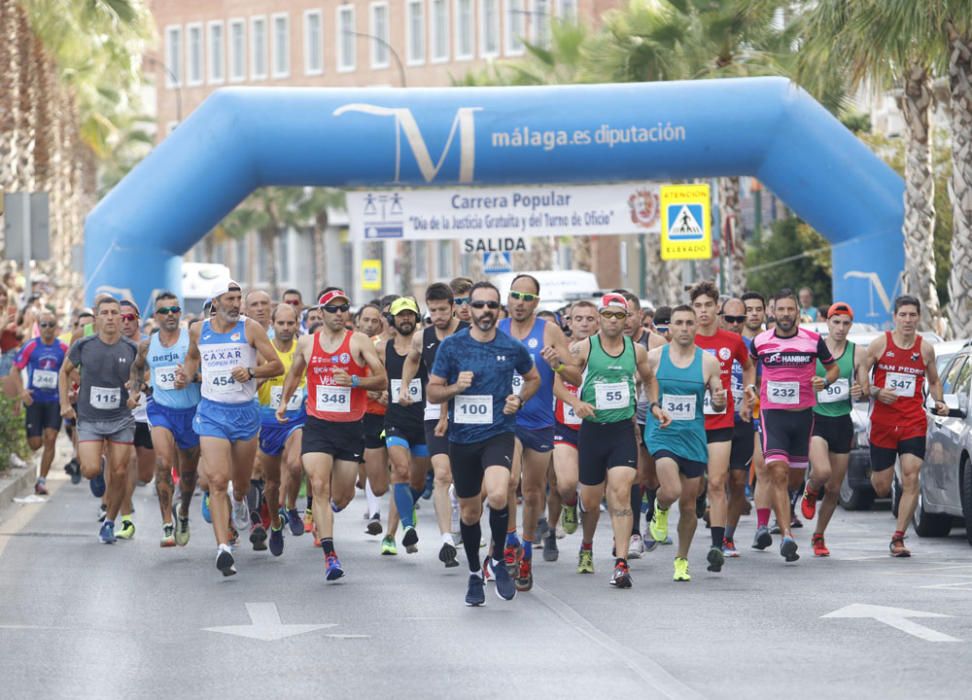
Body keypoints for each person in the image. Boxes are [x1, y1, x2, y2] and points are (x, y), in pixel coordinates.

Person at [429, 281, 539, 606]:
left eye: (492, 305)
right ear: (470, 309)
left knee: (499, 493)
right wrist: (453, 389)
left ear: (499, 309)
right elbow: (433, 391)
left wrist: (518, 400)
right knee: (470, 512)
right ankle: (475, 573)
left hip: (498, 433)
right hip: (462, 439)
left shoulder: (512, 346)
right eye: (479, 305)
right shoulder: (451, 347)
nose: (485, 311)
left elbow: (534, 378)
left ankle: (500, 560)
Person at [277, 289, 387, 581]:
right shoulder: (307, 343)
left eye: (344, 308)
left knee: (343, 494)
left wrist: (355, 381)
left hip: (351, 427)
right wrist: (284, 402)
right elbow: (294, 374)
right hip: (318, 425)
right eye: (333, 309)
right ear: (321, 313)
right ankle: (330, 555)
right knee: (318, 485)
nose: (340, 313)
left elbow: (382, 378)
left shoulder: (359, 341)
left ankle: (332, 508)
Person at [176, 280, 283, 576]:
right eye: (231, 298)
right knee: (217, 480)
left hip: (245, 414)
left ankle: (240, 503)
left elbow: (277, 366)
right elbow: (192, 359)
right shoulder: (198, 330)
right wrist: (184, 376)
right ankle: (223, 548)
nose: (237, 304)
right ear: (216, 301)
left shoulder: (250, 329)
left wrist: (251, 371)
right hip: (211, 413)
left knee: (242, 482)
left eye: (239, 298)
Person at [570, 293, 658, 588]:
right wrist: (575, 401)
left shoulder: (637, 351)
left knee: (621, 492)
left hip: (622, 430)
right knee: (591, 501)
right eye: (607, 314)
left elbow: (649, 379)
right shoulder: (584, 347)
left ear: (628, 319)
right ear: (599, 317)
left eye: (619, 315)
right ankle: (586, 544)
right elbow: (559, 379)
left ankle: (621, 563)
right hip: (593, 431)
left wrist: (655, 405)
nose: (612, 320)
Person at [499, 274, 578, 591]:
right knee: (508, 480)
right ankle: (508, 540)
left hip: (541, 422)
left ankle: (527, 551)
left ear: (536, 303)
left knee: (533, 492)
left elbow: (575, 374)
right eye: (515, 295)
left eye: (527, 298)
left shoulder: (550, 331)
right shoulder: (497, 329)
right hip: (507, 422)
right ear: (508, 298)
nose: (520, 302)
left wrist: (558, 363)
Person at [749, 289, 838, 562]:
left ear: (798, 312)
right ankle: (787, 535)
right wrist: (752, 386)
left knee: (794, 479)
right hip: (773, 415)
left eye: (791, 310)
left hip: (802, 417)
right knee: (777, 472)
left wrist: (826, 381)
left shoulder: (812, 340)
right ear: (772, 312)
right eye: (781, 310)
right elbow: (750, 363)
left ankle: (791, 506)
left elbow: (831, 368)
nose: (786, 315)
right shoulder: (761, 341)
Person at [645, 305, 727, 581]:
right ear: (669, 327)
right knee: (671, 489)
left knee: (690, 505)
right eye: (678, 323)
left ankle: (681, 558)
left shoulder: (708, 362)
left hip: (692, 436)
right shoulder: (655, 358)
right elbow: (637, 383)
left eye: (689, 323)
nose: (683, 328)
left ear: (696, 327)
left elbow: (718, 393)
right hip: (662, 431)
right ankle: (660, 507)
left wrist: (719, 399)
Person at [864, 295, 947, 557]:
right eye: (903, 315)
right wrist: (876, 392)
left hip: (912, 421)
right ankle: (882, 475)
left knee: (912, 474)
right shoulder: (879, 345)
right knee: (881, 485)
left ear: (919, 317)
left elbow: (933, 381)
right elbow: (861, 375)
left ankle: (898, 537)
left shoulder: (925, 349)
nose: (908, 320)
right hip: (883, 424)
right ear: (895, 317)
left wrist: (940, 400)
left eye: (913, 315)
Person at [58, 297, 139, 543]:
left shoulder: (130, 348)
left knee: (121, 472)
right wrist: (64, 403)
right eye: (105, 313)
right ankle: (99, 465)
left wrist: (135, 392)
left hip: (121, 419)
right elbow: (64, 371)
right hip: (91, 418)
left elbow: (141, 376)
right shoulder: (84, 345)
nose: (111, 317)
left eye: (115, 312)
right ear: (97, 318)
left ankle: (110, 522)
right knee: (91, 469)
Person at [399, 283, 468, 567]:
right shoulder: (421, 337)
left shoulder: (467, 333)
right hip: (432, 413)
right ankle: (446, 538)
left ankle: (462, 515)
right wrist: (405, 387)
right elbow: (412, 361)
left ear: (453, 306)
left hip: (467, 413)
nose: (438, 315)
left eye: (443, 309)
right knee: (441, 474)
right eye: (433, 310)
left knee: (465, 480)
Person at [689, 281, 755, 571]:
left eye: (708, 306)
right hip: (689, 423)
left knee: (718, 482)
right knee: (689, 487)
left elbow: (749, 366)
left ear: (717, 307)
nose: (703, 312)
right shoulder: (684, 339)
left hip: (721, 420)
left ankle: (717, 546)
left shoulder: (732, 341)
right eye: (698, 306)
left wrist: (747, 396)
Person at [128, 292, 202, 547]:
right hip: (161, 410)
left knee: (190, 475)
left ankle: (183, 513)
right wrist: (135, 389)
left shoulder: (192, 339)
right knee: (162, 462)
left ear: (180, 313)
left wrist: (192, 377)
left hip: (191, 412)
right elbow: (137, 367)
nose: (170, 314)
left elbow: (206, 371)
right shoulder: (148, 345)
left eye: (174, 309)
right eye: (164, 311)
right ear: (155, 317)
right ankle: (167, 523)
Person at [803, 302, 869, 556]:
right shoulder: (813, 349)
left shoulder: (858, 353)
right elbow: (799, 379)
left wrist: (859, 390)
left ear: (850, 325)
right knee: (821, 471)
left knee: (833, 488)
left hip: (842, 421)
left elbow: (865, 389)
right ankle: (810, 490)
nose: (840, 328)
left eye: (845, 323)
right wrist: (813, 385)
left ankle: (819, 535)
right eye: (836, 322)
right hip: (816, 418)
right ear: (827, 322)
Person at [551, 301, 599, 549]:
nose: (583, 323)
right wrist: (575, 401)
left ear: (598, 322)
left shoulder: (605, 351)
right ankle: (569, 503)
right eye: (578, 318)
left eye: (589, 319)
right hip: (565, 426)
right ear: (569, 322)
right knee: (566, 484)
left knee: (595, 498)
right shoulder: (562, 351)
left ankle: (588, 544)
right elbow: (556, 385)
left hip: (598, 428)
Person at [11, 310, 68, 495]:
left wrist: (72, 391)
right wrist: (22, 392)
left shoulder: (63, 348)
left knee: (51, 439)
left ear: (56, 327)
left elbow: (70, 371)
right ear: (38, 326)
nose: (48, 329)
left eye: (51, 325)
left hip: (54, 401)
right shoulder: (30, 346)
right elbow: (15, 370)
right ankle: (42, 438)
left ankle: (41, 480)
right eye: (44, 325)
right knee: (35, 444)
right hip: (35, 401)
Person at [719, 298, 756, 557]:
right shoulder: (708, 343)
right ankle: (710, 515)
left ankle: (727, 536)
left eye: (739, 320)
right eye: (729, 319)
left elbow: (759, 378)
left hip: (742, 420)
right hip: (713, 421)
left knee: (737, 480)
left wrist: (750, 394)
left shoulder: (752, 348)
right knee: (713, 480)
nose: (734, 324)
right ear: (721, 317)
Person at [357, 302, 390, 541]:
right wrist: (364, 391)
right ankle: (376, 513)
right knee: (368, 466)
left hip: (386, 413)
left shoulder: (383, 346)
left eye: (374, 321)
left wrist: (387, 392)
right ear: (358, 321)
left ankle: (386, 509)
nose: (369, 325)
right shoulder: (349, 344)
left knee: (386, 471)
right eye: (365, 320)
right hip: (359, 413)